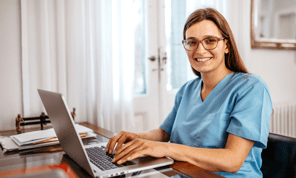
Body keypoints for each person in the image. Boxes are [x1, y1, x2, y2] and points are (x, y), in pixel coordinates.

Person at [106, 8, 272, 177]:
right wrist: (137, 138)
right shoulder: (188, 89)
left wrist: (165, 148)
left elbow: (232, 161)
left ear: (226, 46)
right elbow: (164, 133)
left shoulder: (251, 88)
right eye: (192, 42)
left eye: (210, 40)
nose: (200, 50)